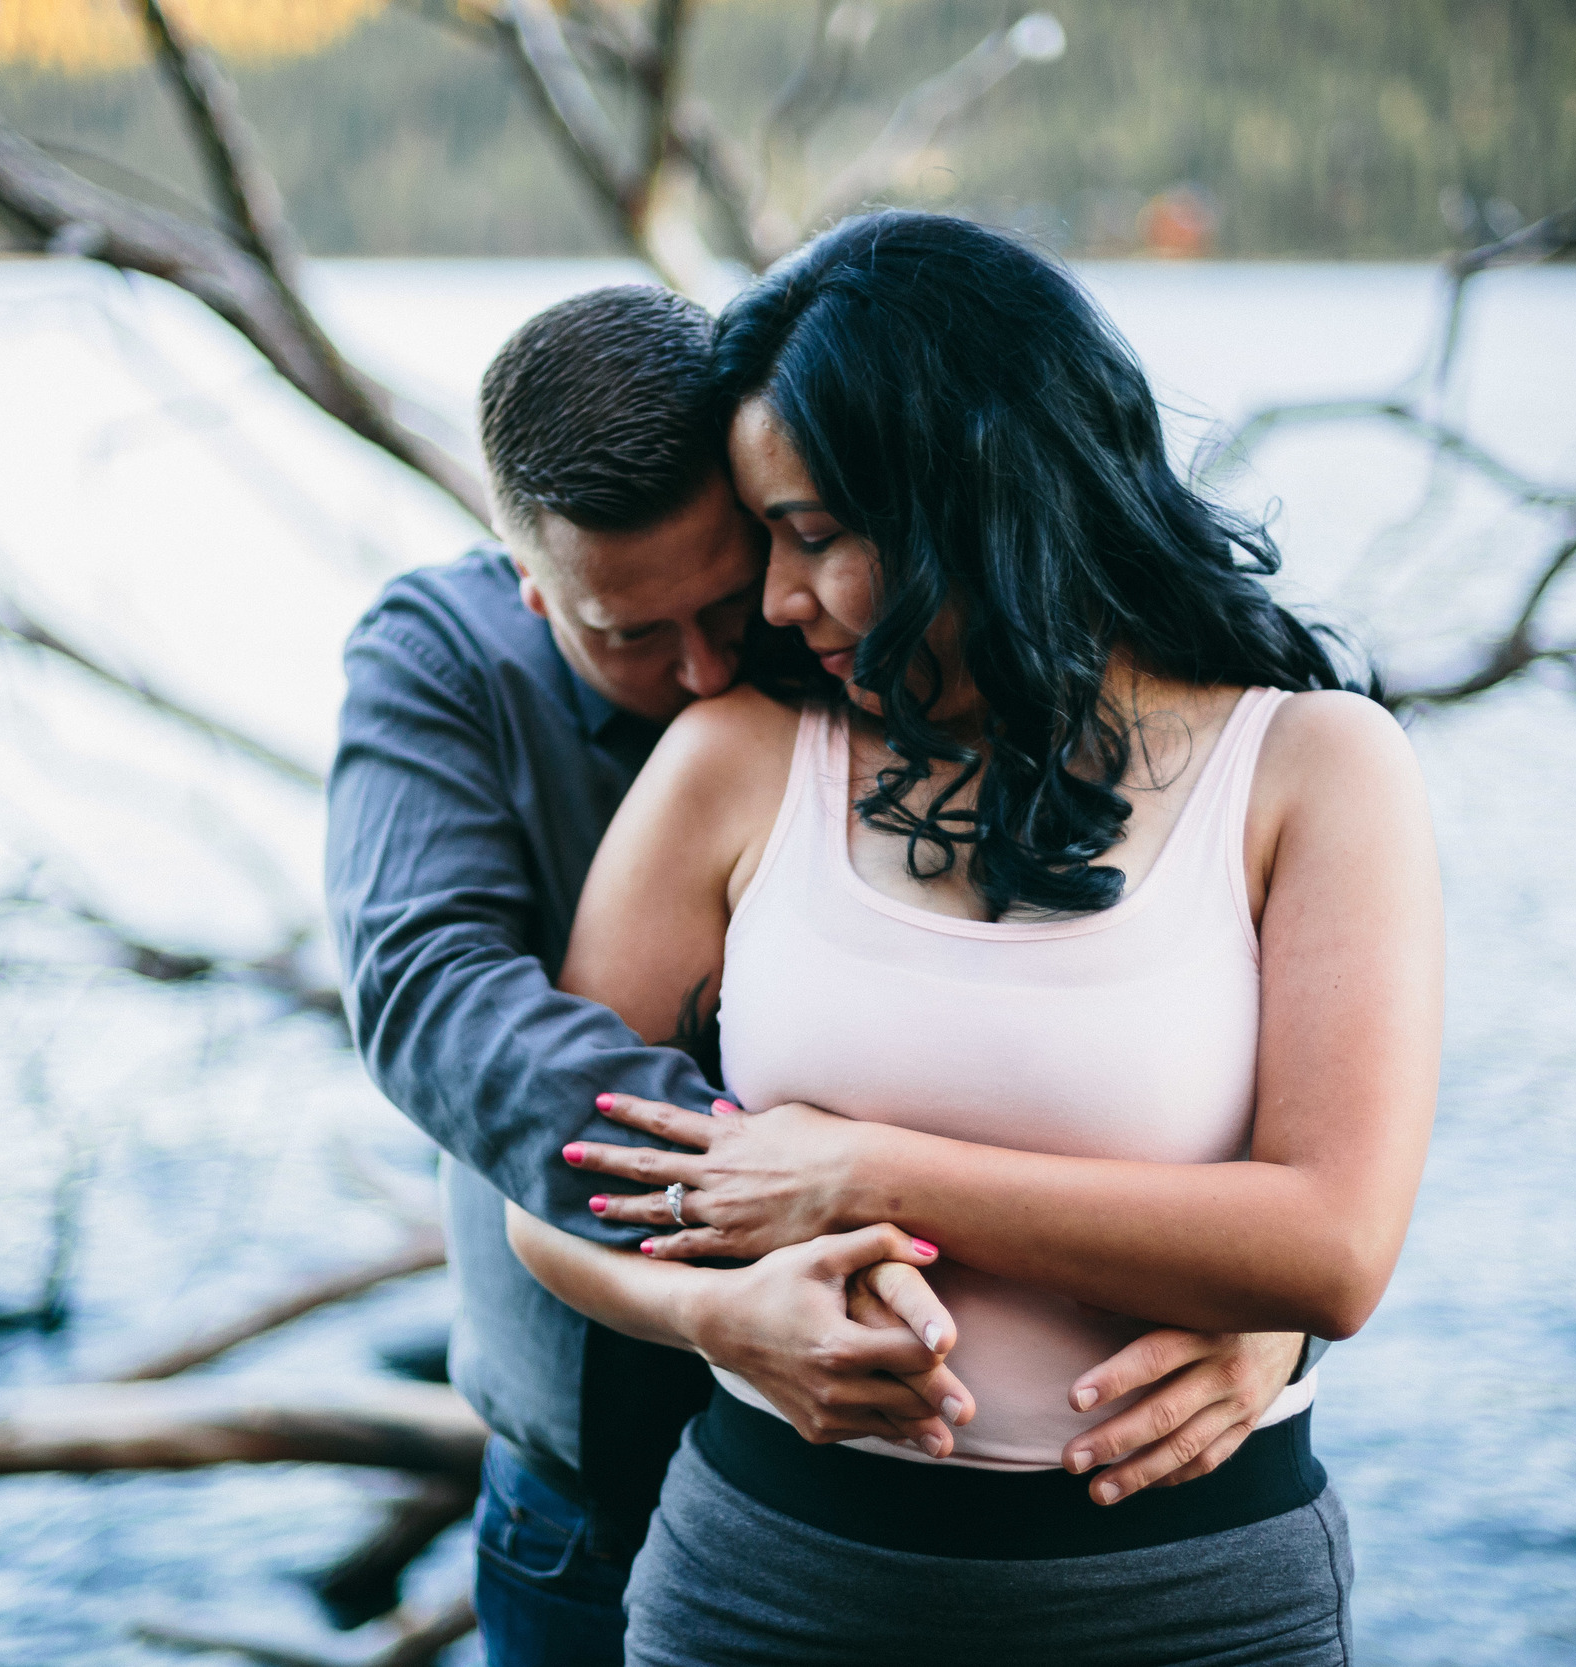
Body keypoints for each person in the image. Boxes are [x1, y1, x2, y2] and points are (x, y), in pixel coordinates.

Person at [325, 284, 1315, 1666]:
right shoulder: (443, 660)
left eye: (735, 599)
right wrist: (762, 1190)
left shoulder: (869, 655)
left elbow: (1150, 1030)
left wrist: (1270, 1301)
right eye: (625, 635)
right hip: (601, 1478)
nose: (703, 669)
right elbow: (433, 998)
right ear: (528, 584)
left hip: (970, 1526)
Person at [507, 213, 1442, 1665]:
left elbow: (1328, 1247)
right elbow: (548, 1192)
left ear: (974, 494)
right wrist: (729, 1320)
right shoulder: (739, 762)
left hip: (1185, 1614)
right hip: (767, 1597)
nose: (774, 599)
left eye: (814, 536)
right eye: (769, 540)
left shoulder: (1314, 768)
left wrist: (867, 1171)